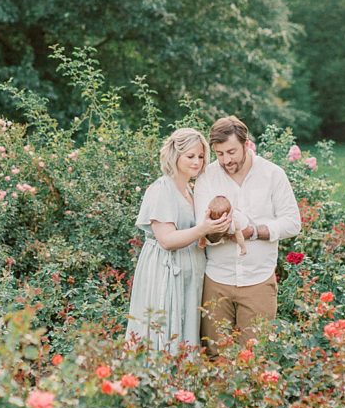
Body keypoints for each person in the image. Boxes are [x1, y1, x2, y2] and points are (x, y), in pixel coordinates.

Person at [193, 115, 301, 355]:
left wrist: (253, 232)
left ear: (246, 143)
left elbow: (293, 223)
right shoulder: (207, 177)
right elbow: (203, 226)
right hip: (217, 280)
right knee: (214, 357)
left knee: (255, 359)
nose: (226, 160)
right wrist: (216, 230)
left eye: (231, 152)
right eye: (219, 154)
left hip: (258, 280)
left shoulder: (273, 175)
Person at [125, 128, 232, 353]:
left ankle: (182, 382)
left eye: (201, 157)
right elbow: (167, 240)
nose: (197, 162)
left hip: (189, 272)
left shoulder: (189, 191)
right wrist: (202, 228)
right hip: (166, 270)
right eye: (190, 156)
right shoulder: (162, 189)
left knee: (185, 327)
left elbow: (192, 233)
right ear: (176, 156)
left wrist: (211, 232)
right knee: (165, 329)